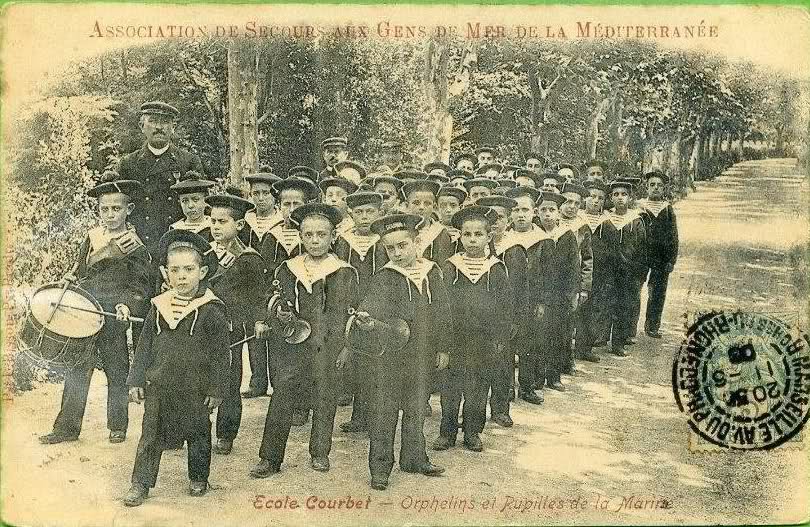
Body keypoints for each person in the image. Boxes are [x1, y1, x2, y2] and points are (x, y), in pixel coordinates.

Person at [39, 173, 154, 445]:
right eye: (105, 209)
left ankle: (117, 425)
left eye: (116, 209)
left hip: (114, 313)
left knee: (117, 369)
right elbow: (79, 269)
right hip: (85, 310)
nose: (110, 214)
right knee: (77, 368)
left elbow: (141, 283)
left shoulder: (133, 244)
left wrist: (128, 303)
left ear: (129, 210)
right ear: (98, 210)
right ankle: (66, 428)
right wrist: (69, 277)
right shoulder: (92, 237)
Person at [250, 203, 358, 477]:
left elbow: (351, 314)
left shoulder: (345, 271)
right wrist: (276, 314)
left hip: (329, 345)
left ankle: (320, 452)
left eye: (321, 234)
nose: (315, 240)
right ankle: (270, 457)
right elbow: (274, 301)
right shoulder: (288, 269)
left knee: (326, 396)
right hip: (293, 346)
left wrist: (346, 346)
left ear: (333, 236)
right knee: (282, 396)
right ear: (300, 236)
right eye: (308, 234)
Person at [123, 229, 229, 506]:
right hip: (160, 384)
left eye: (189, 269)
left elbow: (221, 355)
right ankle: (141, 483)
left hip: (195, 387)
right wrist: (135, 380)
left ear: (203, 271)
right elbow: (144, 345)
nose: (181, 276)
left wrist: (217, 389)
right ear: (164, 272)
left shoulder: (212, 309)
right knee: (150, 435)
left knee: (198, 432)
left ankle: (198, 477)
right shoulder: (159, 307)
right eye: (175, 270)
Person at [355, 213, 452, 490]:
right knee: (385, 411)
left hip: (423, 353)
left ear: (416, 242)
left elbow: (443, 312)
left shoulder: (431, 272)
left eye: (403, 245)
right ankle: (380, 467)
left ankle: (414, 457)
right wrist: (367, 319)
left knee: (416, 408)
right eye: (390, 248)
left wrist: (444, 347)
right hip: (391, 357)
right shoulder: (384, 277)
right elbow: (371, 308)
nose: (397, 253)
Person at [433, 206, 511, 453]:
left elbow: (504, 307)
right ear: (460, 237)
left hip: (484, 340)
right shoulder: (451, 267)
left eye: (479, 234)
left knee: (478, 386)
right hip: (455, 338)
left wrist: (500, 337)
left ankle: (472, 431)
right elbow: (441, 305)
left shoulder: (496, 269)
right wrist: (442, 341)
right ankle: (447, 431)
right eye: (467, 235)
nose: (473, 240)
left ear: (489, 237)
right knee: (450, 387)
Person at [205, 190, 269, 454]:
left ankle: (226, 432)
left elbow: (258, 295)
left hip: (232, 327)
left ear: (240, 225)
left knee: (230, 381)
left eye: (223, 222)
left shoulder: (249, 258)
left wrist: (259, 320)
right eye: (213, 221)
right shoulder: (205, 253)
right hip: (204, 324)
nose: (216, 227)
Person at [334, 192, 389, 433]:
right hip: (350, 308)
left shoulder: (384, 242)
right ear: (351, 215)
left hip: (380, 311)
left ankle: (376, 418)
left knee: (377, 364)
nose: (365, 217)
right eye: (359, 212)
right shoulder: (344, 242)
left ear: (379, 214)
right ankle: (359, 416)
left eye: (370, 212)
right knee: (356, 362)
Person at [117, 101, 205, 250]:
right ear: (142, 127)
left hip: (177, 242)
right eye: (152, 121)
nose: (159, 127)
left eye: (165, 122)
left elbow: (201, 207)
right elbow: (118, 206)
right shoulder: (128, 163)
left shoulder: (189, 161)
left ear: (173, 128)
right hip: (139, 243)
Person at [478, 195, 526, 424]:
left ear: (509, 220)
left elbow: (523, 285)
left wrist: (515, 318)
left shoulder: (515, 248)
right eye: (491, 217)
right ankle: (472, 411)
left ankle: (500, 408)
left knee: (502, 362)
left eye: (501, 217)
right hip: (477, 317)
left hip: (503, 317)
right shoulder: (474, 247)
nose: (496, 222)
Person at [526, 192, 579, 392]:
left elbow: (574, 266)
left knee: (557, 336)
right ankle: (537, 377)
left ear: (558, 213)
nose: (547, 214)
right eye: (543, 210)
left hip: (560, 295)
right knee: (538, 337)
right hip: (540, 294)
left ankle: (554, 376)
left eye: (552, 210)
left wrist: (572, 293)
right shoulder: (535, 236)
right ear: (537, 213)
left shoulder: (566, 235)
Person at [575, 180, 619, 362]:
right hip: (576, 269)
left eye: (600, 198)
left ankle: (584, 347)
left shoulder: (607, 224)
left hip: (598, 273)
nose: (595, 201)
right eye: (592, 197)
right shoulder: (577, 220)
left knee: (590, 310)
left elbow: (613, 250)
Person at [605, 180, 648, 357]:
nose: (620, 198)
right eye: (616, 194)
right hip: (609, 270)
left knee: (624, 306)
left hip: (629, 271)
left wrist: (640, 274)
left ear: (630, 198)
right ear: (611, 198)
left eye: (623, 194)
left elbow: (642, 249)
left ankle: (619, 342)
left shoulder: (636, 220)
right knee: (607, 304)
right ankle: (601, 337)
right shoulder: (606, 219)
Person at [559, 183, 598, 367]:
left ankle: (567, 361)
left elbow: (588, 259)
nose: (571, 206)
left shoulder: (582, 226)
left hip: (572, 282)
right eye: (567, 201)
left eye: (576, 203)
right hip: (553, 281)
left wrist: (584, 287)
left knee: (569, 322)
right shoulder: (552, 222)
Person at [637, 171, 679, 339]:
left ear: (664, 189)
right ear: (647, 187)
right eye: (652, 185)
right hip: (641, 256)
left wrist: (671, 259)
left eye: (659, 186)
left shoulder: (667, 209)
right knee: (634, 290)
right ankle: (628, 328)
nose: (655, 188)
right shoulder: (640, 208)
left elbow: (673, 236)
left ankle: (652, 326)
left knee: (657, 292)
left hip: (660, 258)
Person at [260, 178, 319, 277]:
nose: (291, 210)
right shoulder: (271, 236)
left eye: (296, 204)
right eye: (286, 204)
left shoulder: (314, 237)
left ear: (306, 206)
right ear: (279, 207)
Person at [403, 180, 454, 265]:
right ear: (406, 205)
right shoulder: (398, 231)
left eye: (427, 203)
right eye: (416, 203)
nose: (421, 207)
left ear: (434, 207)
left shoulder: (441, 233)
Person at [169, 171, 215, 239]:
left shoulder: (213, 226)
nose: (190, 205)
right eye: (185, 201)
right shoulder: (175, 229)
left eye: (195, 200)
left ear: (205, 202)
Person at [244, 171, 284, 251]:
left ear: (275, 196)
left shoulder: (282, 221)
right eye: (256, 193)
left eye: (266, 193)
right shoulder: (245, 220)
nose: (261, 198)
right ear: (251, 194)